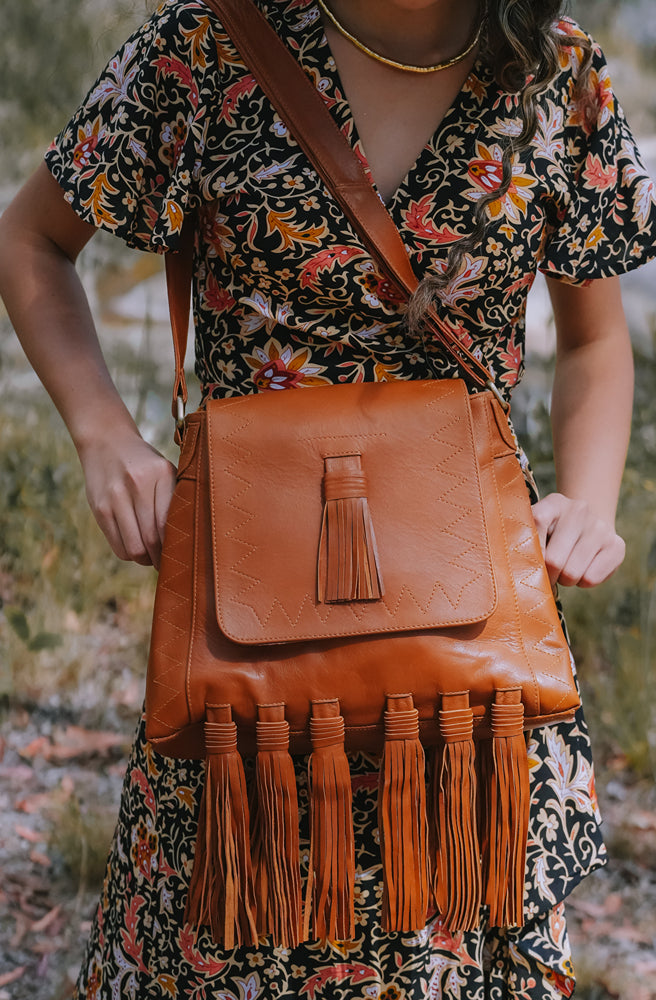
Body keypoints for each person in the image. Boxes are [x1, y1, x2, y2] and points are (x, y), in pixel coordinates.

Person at [0, 0, 654, 996]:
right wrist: (102, 435)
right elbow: (30, 241)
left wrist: (592, 498)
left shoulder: (555, 70)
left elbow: (596, 337)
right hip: (246, 670)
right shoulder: (203, 51)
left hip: (465, 646)